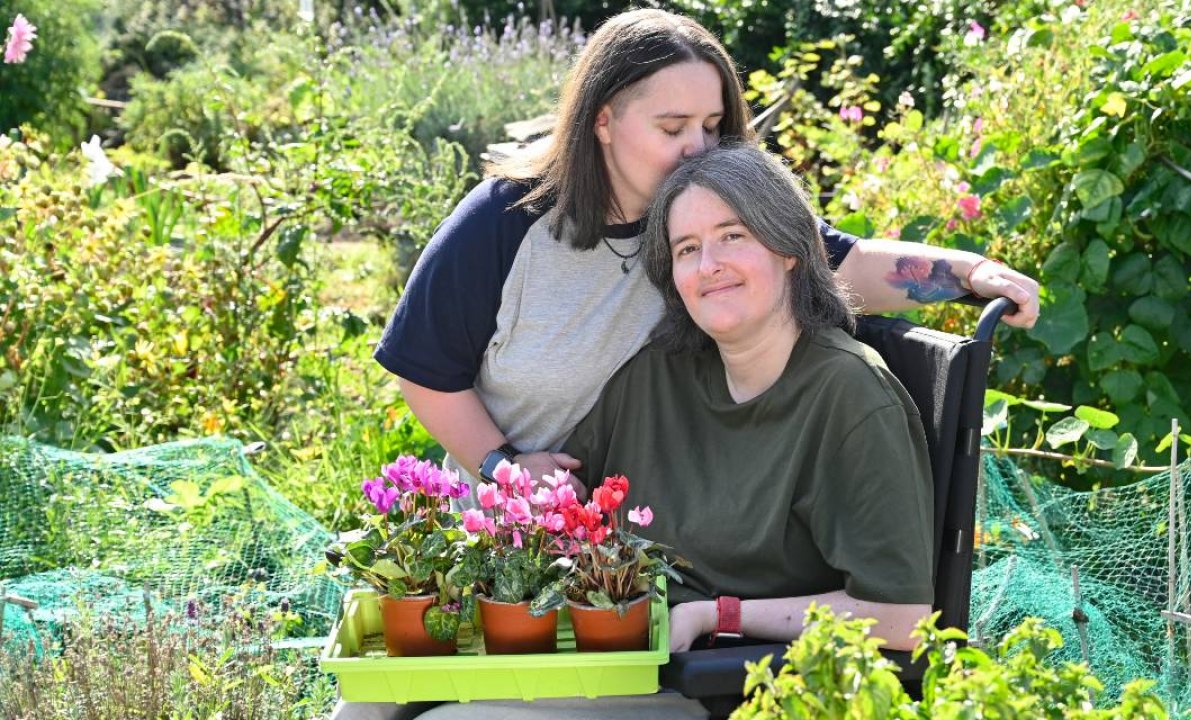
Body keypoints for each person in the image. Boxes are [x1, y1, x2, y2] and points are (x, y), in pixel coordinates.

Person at [373, 8, 1040, 498]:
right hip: (508, 526)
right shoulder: (507, 219)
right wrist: (505, 465)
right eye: (673, 127)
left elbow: (839, 263)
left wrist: (969, 274)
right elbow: (423, 368)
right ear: (603, 121)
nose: (700, 147)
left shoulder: (711, 215)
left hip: (646, 536)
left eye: (712, 126)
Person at [560, 143, 934, 655]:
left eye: (732, 236)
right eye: (687, 249)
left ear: (789, 250)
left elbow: (901, 619)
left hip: (735, 688)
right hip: (612, 663)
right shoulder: (654, 377)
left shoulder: (850, 396)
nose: (708, 265)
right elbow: (565, 502)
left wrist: (719, 616)